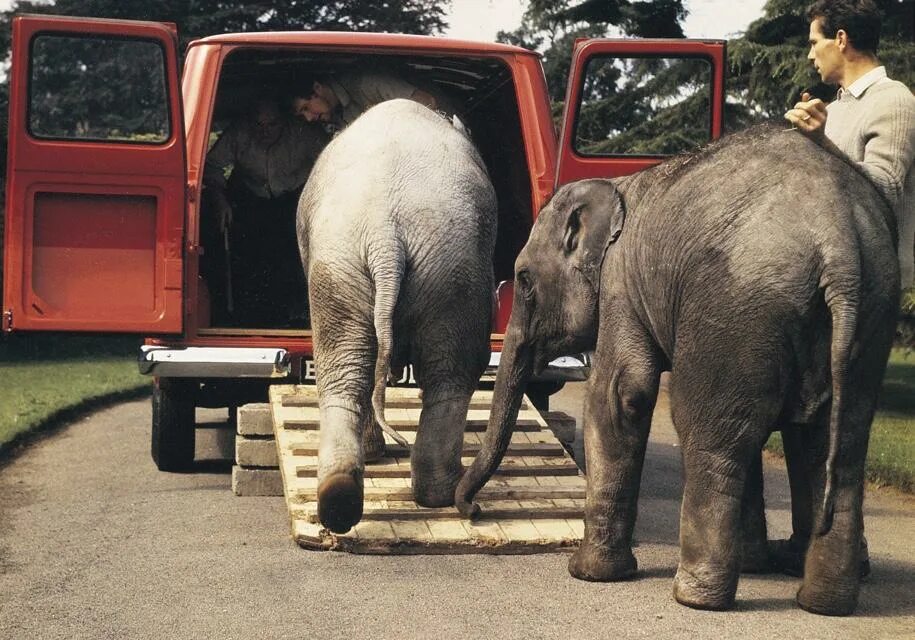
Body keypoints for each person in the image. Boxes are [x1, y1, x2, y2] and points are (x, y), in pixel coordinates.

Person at [780, 0, 915, 578]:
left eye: (814, 41)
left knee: (843, 416)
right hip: (821, 283)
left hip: (870, 283)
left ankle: (846, 552)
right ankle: (813, 538)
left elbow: (882, 189)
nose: (810, 53)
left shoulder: (896, 101)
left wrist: (824, 145)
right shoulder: (836, 107)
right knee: (803, 410)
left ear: (841, 39)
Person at [203, 95, 329, 326]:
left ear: (284, 121)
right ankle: (245, 315)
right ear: (250, 122)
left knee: (294, 258)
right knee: (249, 257)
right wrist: (220, 200)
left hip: (294, 200)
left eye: (272, 124)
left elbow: (332, 163)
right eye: (258, 125)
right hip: (251, 199)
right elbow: (211, 166)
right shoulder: (238, 133)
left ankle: (298, 314)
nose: (265, 131)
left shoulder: (305, 133)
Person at [291, 71, 442, 130]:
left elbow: (426, 102)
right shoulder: (336, 116)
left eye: (305, 108)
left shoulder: (365, 83)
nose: (309, 118)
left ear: (317, 87)